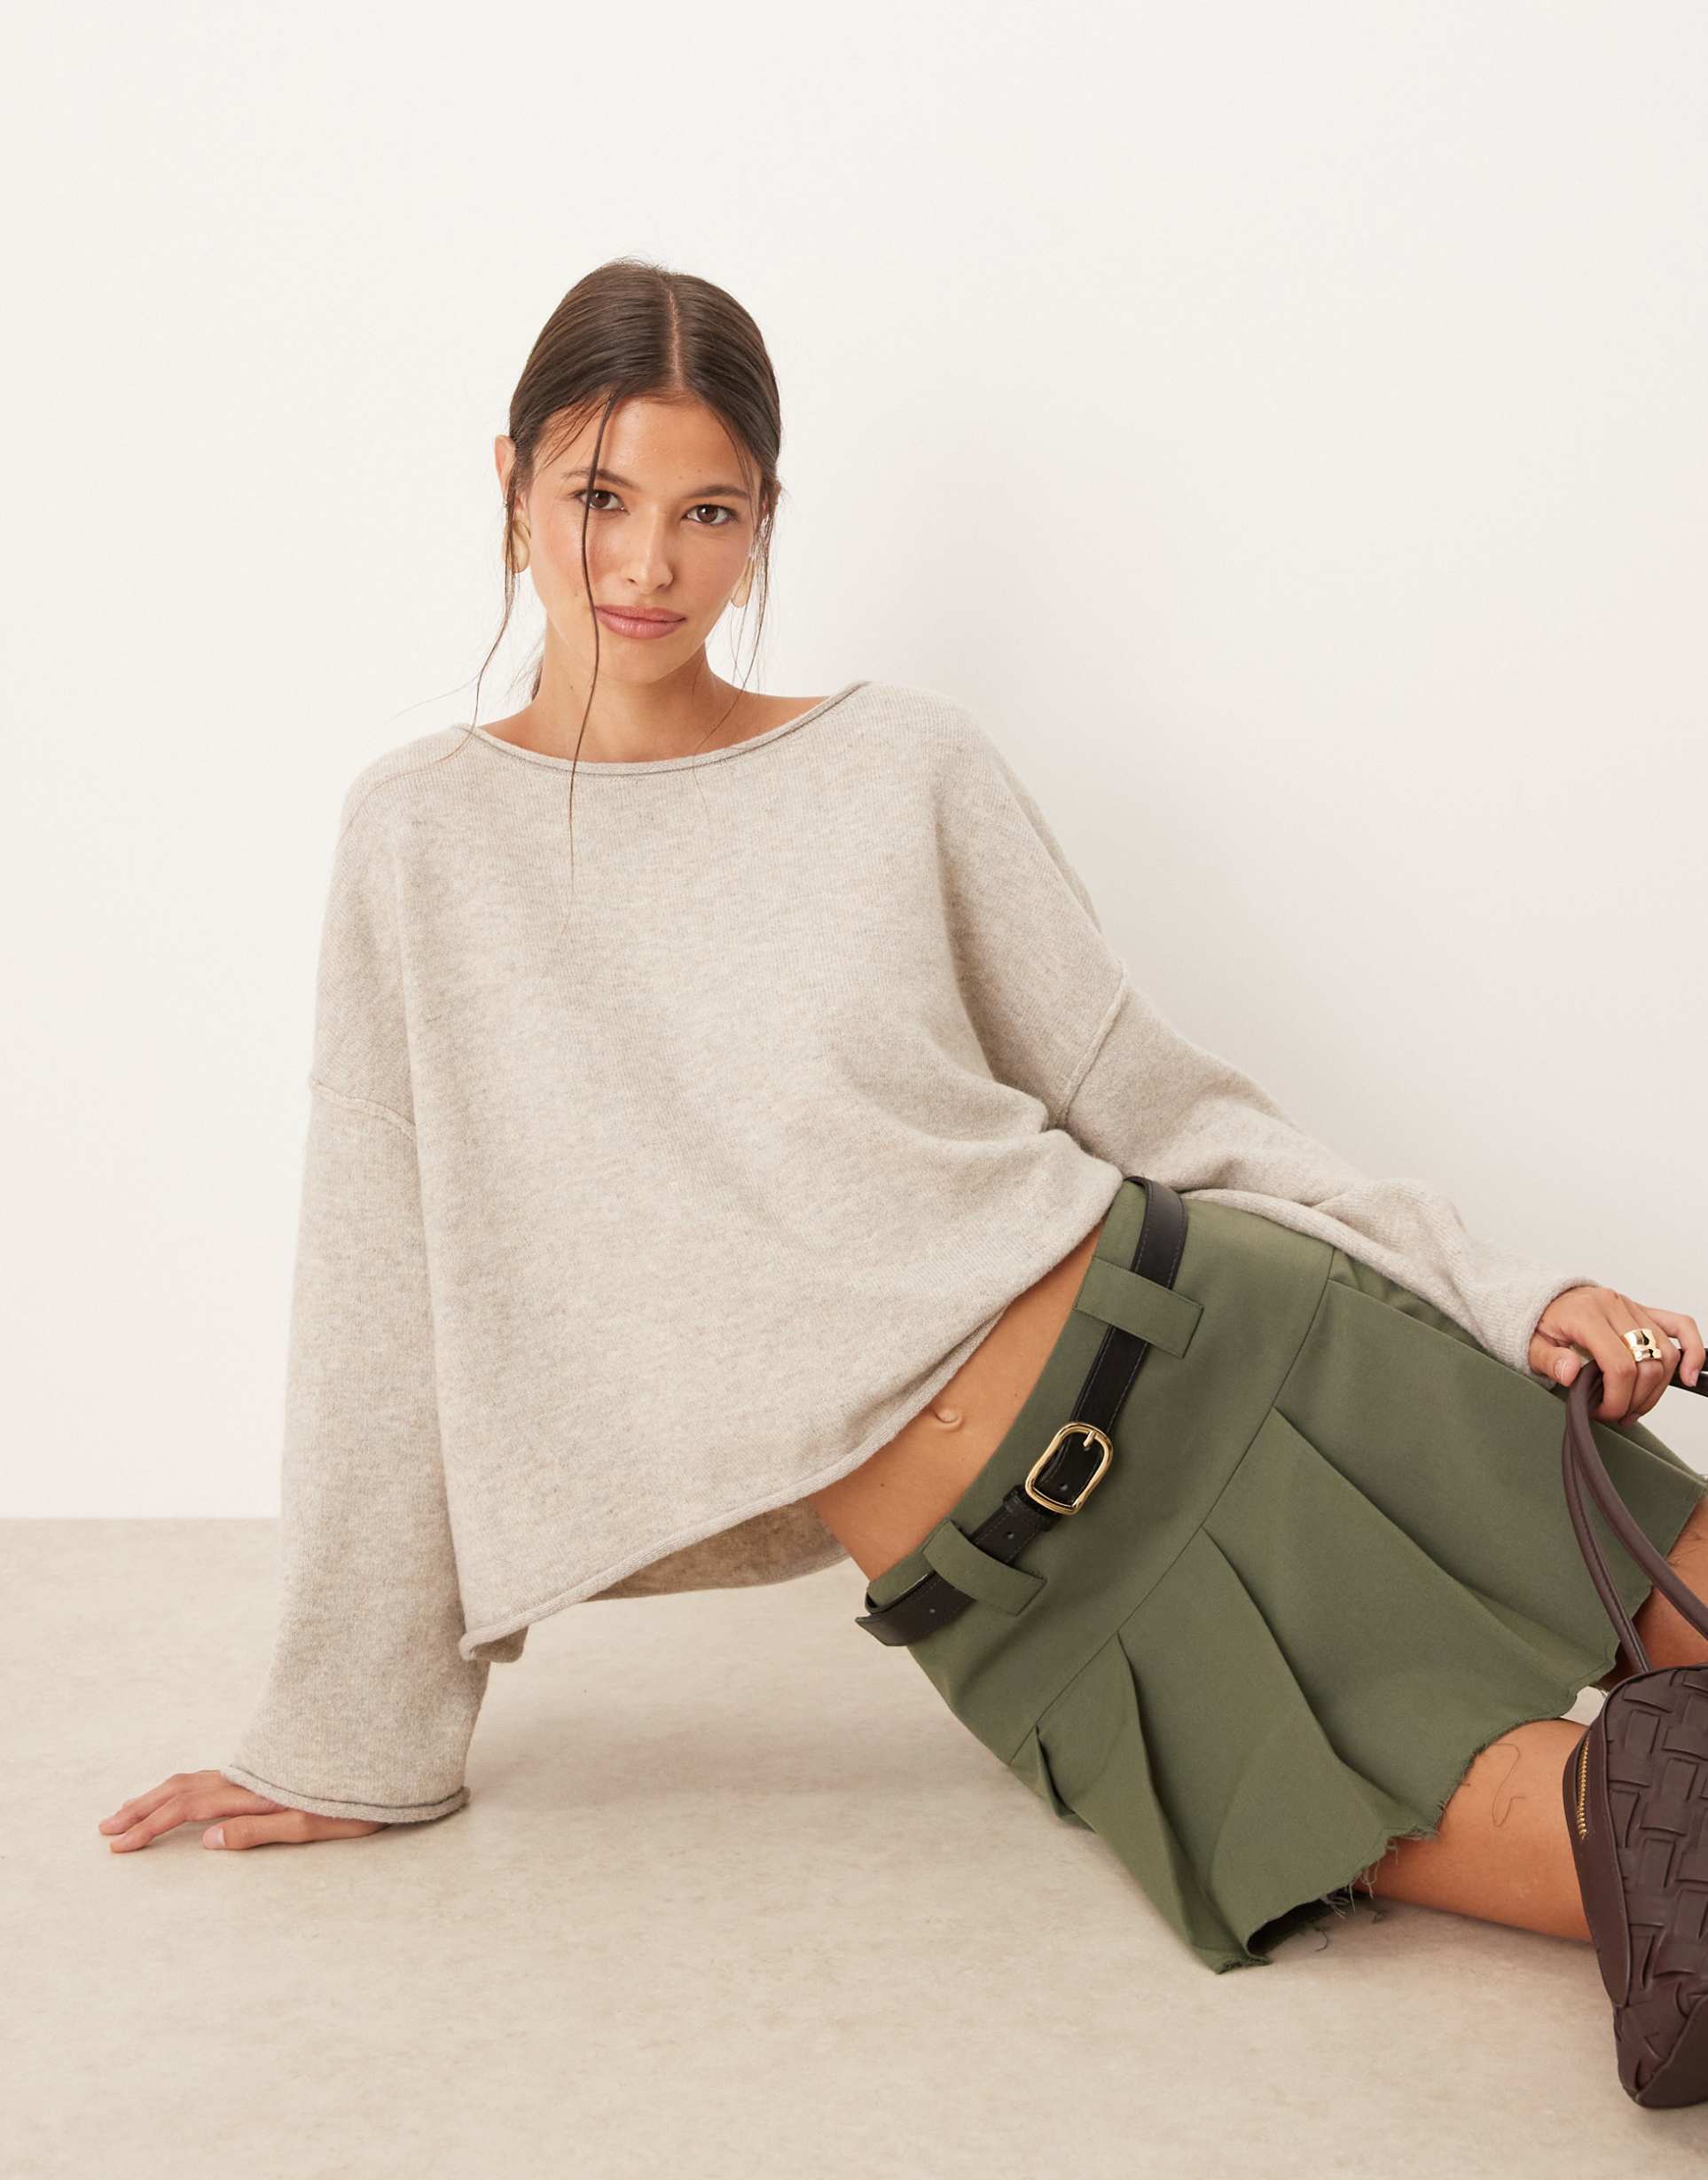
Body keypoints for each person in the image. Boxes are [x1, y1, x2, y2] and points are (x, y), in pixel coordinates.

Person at [98, 259, 1708, 1990]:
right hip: (1040, 1594)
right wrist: (352, 1733)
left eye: (707, 511)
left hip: (1249, 1339)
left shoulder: (900, 769)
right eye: (598, 498)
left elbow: (1165, 1105)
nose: (647, 565)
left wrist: (1503, 1290)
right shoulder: (422, 839)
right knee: (1652, 1873)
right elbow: (375, 1295)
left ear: (763, 520)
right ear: (510, 486)